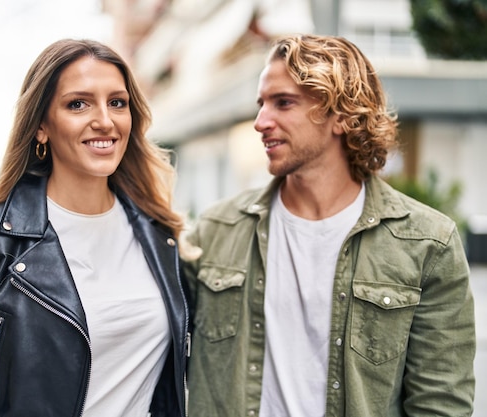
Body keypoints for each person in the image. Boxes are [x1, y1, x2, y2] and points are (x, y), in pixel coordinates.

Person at [181, 34, 475, 417]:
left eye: (283, 103)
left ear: (342, 115)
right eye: (261, 104)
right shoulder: (217, 230)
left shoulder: (427, 244)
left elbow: (440, 403)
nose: (260, 122)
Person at [0, 39, 189, 417]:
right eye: (78, 104)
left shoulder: (161, 235)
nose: (105, 121)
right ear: (42, 126)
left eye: (117, 102)